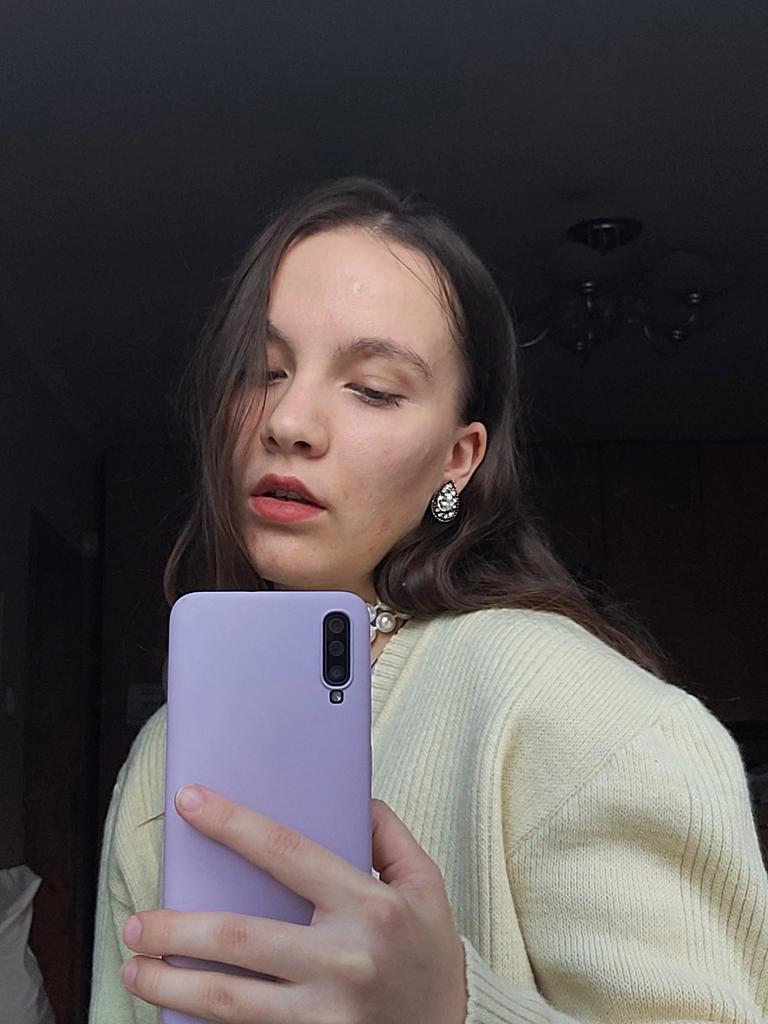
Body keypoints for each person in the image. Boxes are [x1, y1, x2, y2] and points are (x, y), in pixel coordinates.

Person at [88, 177, 768, 1024]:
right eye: (261, 371)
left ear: (458, 459)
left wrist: (446, 1010)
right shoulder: (163, 754)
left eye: (373, 388)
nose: (289, 421)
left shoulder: (586, 713)